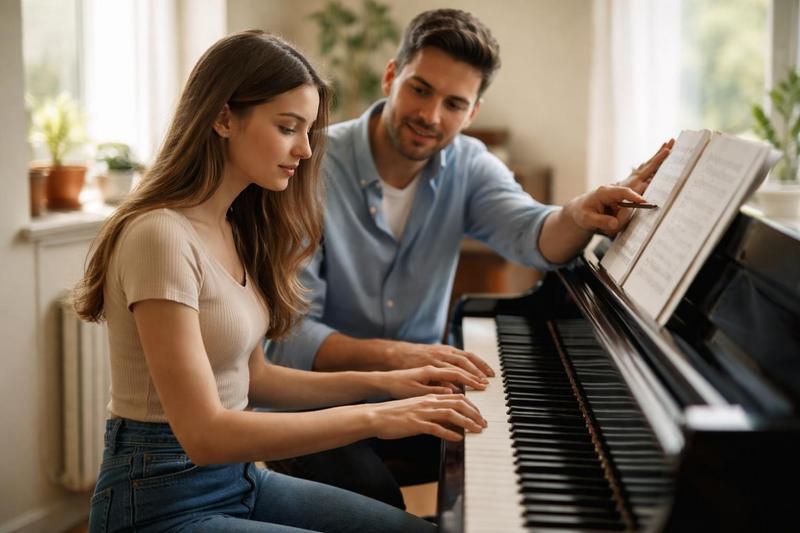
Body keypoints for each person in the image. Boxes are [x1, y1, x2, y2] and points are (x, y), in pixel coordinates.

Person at [73, 30, 488, 533]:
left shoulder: (237, 227)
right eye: (288, 127)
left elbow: (260, 379)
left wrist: (388, 384)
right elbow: (204, 435)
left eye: (309, 131)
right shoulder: (158, 235)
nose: (306, 150)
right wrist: (377, 417)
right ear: (224, 117)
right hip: (158, 500)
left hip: (238, 480)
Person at [265, 9, 672, 510]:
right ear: (392, 76)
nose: (431, 116)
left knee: (527, 448)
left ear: (472, 112)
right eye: (420, 90)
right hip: (310, 405)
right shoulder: (309, 165)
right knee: (376, 501)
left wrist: (581, 212)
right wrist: (399, 355)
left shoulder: (470, 164)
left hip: (409, 396)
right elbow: (287, 340)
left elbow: (533, 234)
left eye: (454, 103)